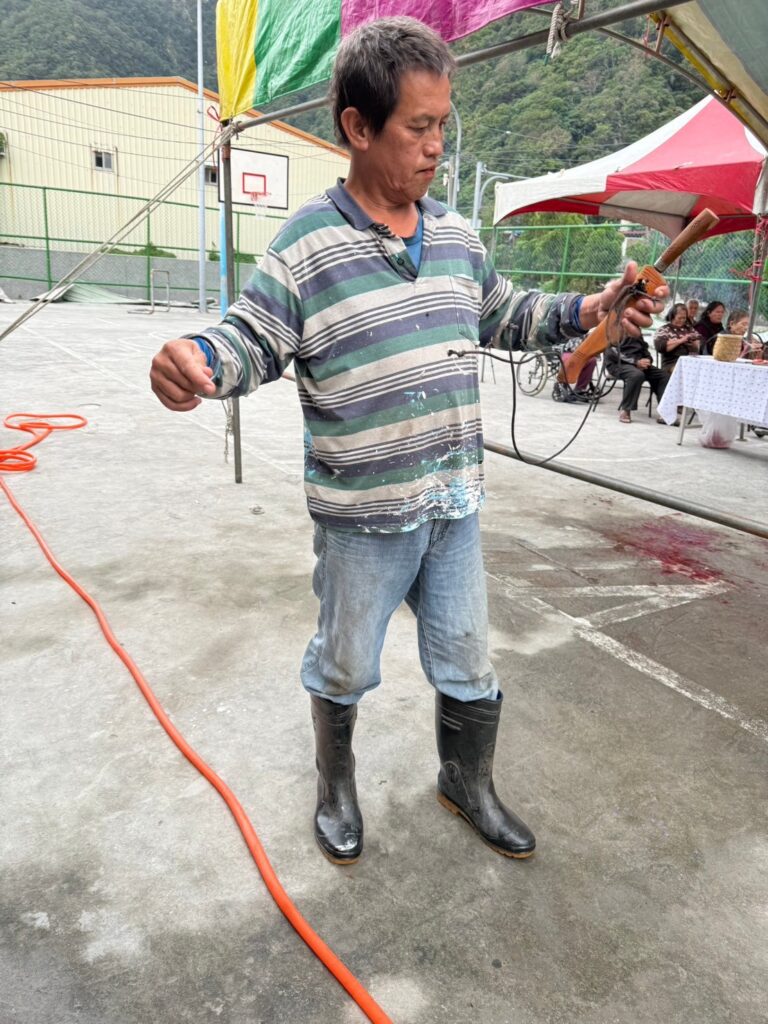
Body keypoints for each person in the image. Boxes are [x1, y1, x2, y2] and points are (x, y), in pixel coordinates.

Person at [150, 17, 665, 865]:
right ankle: (336, 784)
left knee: (468, 659)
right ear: (358, 126)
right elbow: (252, 337)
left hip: (453, 505)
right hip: (362, 519)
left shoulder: (457, 236)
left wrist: (592, 308)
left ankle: (467, 782)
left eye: (442, 124)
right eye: (417, 127)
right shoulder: (306, 246)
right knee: (346, 664)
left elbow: (508, 313)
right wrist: (198, 359)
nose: (436, 147)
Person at [605, 332, 668, 423]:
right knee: (636, 375)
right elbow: (612, 352)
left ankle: (665, 412)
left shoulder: (636, 333)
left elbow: (645, 350)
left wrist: (647, 360)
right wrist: (635, 362)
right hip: (619, 364)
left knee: (663, 376)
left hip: (639, 363)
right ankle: (626, 410)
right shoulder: (616, 330)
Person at [653, 302, 700, 374]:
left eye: (684, 318)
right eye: (679, 318)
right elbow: (661, 347)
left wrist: (694, 344)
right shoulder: (664, 330)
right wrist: (681, 340)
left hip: (690, 361)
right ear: (672, 316)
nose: (682, 320)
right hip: (671, 363)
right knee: (684, 371)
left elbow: (699, 344)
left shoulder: (689, 329)